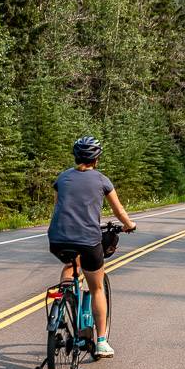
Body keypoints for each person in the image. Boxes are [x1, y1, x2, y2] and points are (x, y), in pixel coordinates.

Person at [47, 136, 136, 357]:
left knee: (70, 266)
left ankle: (64, 300)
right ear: (96, 159)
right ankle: (102, 341)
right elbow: (119, 211)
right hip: (87, 240)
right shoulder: (102, 180)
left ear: (76, 157)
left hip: (58, 238)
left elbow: (58, 207)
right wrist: (129, 225)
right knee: (96, 287)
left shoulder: (62, 178)